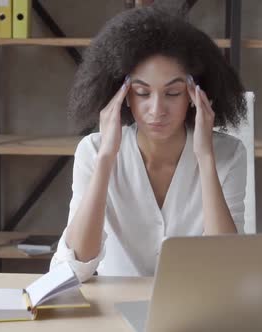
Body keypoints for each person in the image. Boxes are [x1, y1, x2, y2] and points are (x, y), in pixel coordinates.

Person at [50, 6, 247, 282]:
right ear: (124, 95)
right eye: (142, 92)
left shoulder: (229, 154)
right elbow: (75, 266)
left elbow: (228, 268)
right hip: (115, 313)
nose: (157, 109)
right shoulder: (92, 152)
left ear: (194, 95)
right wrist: (106, 158)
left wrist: (205, 157)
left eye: (173, 92)